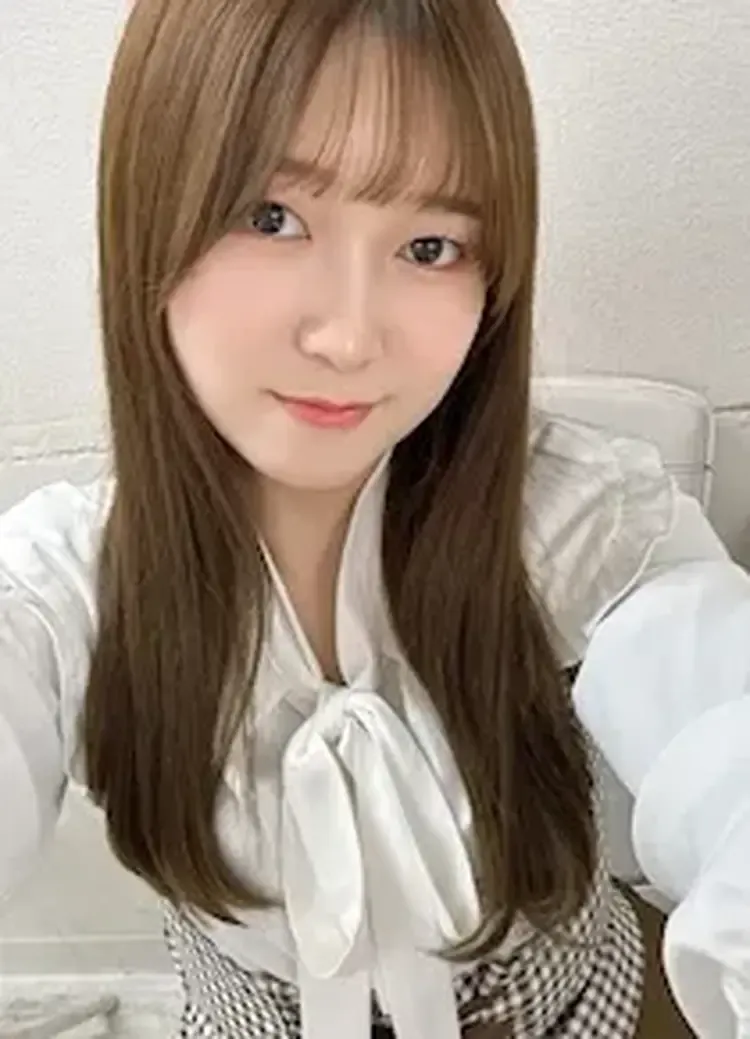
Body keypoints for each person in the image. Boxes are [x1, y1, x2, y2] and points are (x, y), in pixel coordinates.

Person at [0, 0, 748, 1036]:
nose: (349, 336)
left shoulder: (572, 517)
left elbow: (724, 725)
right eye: (271, 217)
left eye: (431, 245)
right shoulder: (69, 589)